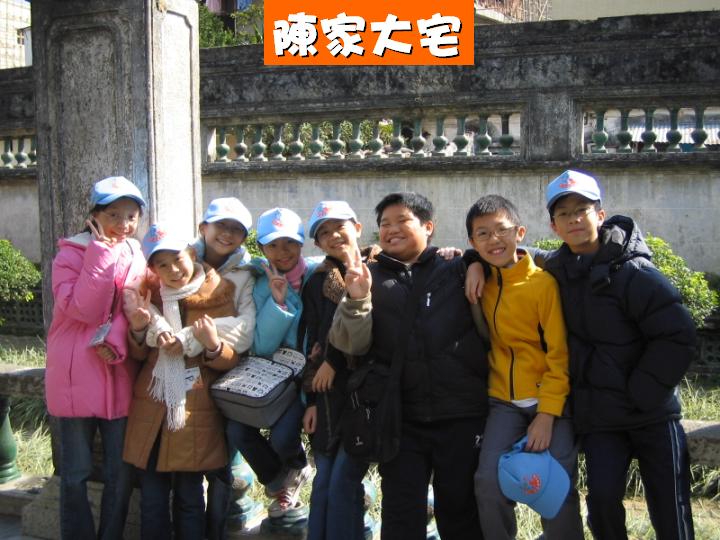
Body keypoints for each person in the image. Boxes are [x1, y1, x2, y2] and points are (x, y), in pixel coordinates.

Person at [541, 170, 696, 540]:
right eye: (564, 214)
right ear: (554, 226)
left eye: (582, 210)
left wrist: (641, 392)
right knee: (603, 505)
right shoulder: (556, 272)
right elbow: (510, 255)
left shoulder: (634, 271)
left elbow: (678, 334)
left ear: (600, 214)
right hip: (600, 420)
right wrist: (469, 260)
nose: (574, 219)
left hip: (652, 414)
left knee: (670, 508)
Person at [330, 192, 489, 540]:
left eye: (402, 220)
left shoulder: (456, 268)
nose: (391, 229)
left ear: (428, 227)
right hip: (400, 419)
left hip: (461, 414)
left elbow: (509, 259)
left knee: (461, 511)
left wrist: (475, 257)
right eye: (384, 224)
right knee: (401, 516)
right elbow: (349, 345)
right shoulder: (367, 276)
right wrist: (358, 297)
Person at [465, 195, 583, 540]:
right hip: (503, 401)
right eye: (483, 234)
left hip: (550, 402)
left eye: (502, 230)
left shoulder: (542, 284)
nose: (493, 240)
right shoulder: (482, 281)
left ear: (520, 232)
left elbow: (559, 354)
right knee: (487, 482)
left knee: (556, 488)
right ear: (473, 242)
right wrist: (471, 264)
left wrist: (546, 415)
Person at [122, 224, 241, 540]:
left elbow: (232, 359)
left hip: (193, 414)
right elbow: (138, 355)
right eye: (162, 265)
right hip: (152, 410)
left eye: (178, 259)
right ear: (153, 269)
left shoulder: (218, 294)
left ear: (191, 254)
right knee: (152, 499)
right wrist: (139, 330)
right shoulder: (150, 298)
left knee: (190, 497)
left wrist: (212, 345)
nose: (174, 270)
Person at [46, 176, 147, 540]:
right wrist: (101, 253)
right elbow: (84, 310)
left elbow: (134, 308)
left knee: (120, 471)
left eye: (131, 216)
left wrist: (118, 342)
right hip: (76, 375)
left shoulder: (136, 254)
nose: (123, 224)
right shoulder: (69, 255)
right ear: (94, 216)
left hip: (117, 370)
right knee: (75, 471)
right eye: (113, 214)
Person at [225, 207, 313, 518]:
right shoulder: (260, 284)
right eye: (273, 244)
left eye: (289, 243)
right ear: (261, 248)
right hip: (269, 376)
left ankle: (296, 464)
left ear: (301, 243)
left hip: (305, 381)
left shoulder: (318, 275)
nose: (282, 251)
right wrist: (278, 301)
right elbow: (261, 345)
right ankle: (281, 481)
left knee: (283, 437)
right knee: (237, 430)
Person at [300, 201, 375, 540]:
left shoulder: (381, 269)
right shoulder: (318, 282)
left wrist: (334, 359)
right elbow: (312, 341)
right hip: (328, 395)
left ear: (357, 228)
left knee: (344, 479)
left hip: (367, 394)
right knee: (325, 481)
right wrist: (311, 401)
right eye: (324, 233)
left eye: (339, 227)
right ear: (318, 244)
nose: (333, 236)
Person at [190, 197, 256, 540]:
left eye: (236, 229)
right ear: (204, 227)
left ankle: (216, 531)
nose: (227, 234)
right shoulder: (180, 260)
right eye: (221, 225)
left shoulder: (246, 272)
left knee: (221, 465)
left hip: (226, 377)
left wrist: (193, 334)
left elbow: (245, 332)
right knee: (184, 465)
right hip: (182, 380)